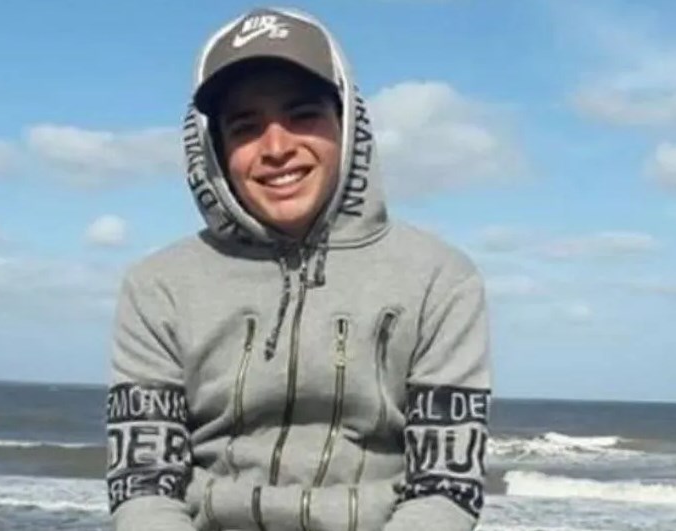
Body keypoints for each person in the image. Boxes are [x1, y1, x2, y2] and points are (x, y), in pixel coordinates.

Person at [105, 6, 492, 531]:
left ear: (347, 124)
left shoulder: (441, 279)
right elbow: (144, 487)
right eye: (245, 126)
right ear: (216, 151)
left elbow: (445, 489)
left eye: (303, 114)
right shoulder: (157, 287)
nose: (277, 148)